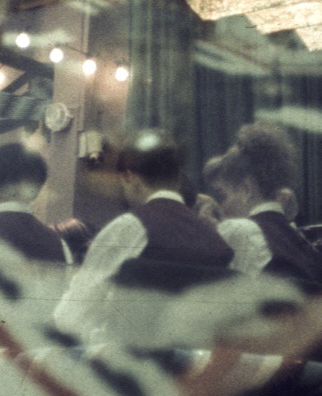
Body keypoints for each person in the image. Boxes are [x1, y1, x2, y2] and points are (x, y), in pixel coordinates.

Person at [53, 130, 234, 343]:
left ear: (129, 175)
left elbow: (70, 317)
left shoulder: (130, 228)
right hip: (199, 368)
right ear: (176, 178)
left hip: (130, 367)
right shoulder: (217, 241)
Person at [206, 123, 322, 293]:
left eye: (226, 194)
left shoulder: (239, 229)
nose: (224, 204)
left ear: (246, 189)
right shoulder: (299, 240)